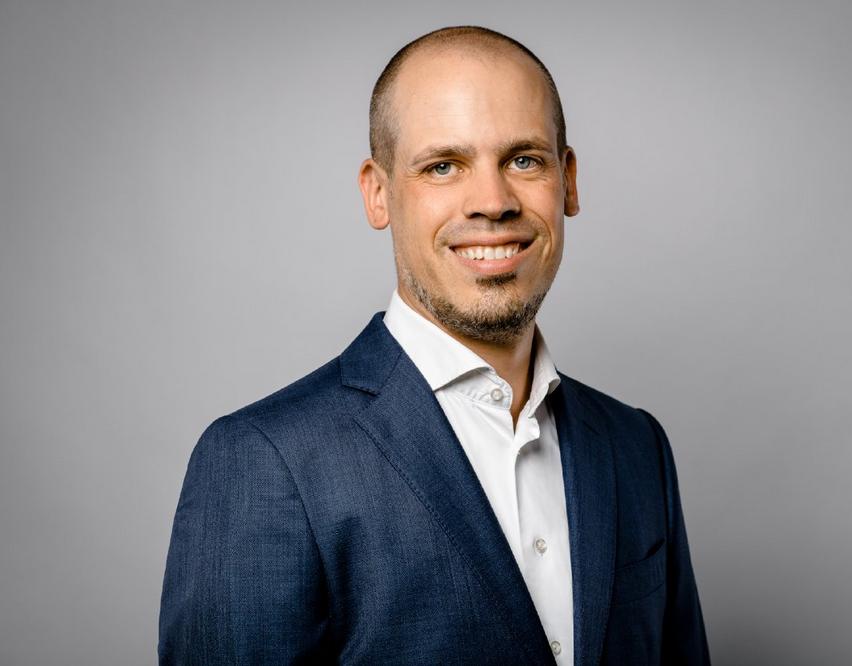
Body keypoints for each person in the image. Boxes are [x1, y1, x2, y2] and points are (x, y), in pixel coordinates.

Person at [158, 25, 710, 665]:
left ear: (569, 181)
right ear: (378, 193)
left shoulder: (637, 447)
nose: (493, 202)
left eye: (524, 160)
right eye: (443, 166)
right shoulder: (264, 461)